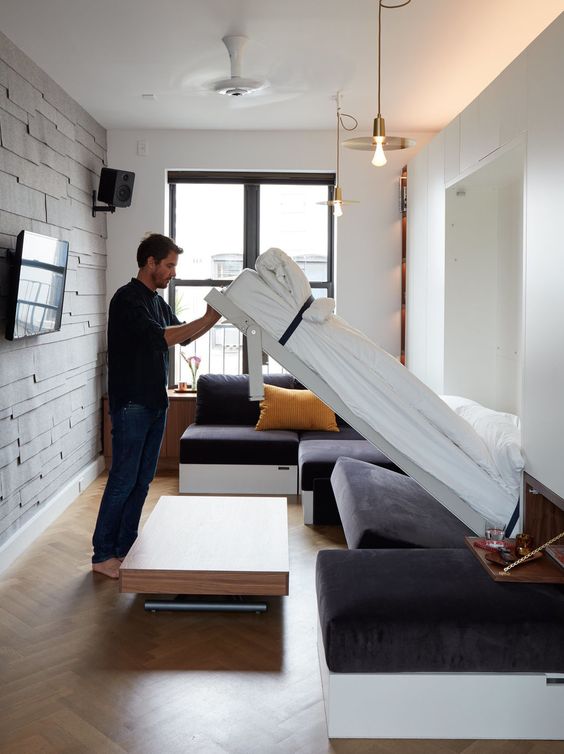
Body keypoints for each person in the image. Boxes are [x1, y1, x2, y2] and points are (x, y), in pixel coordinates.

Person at [92, 233, 221, 578]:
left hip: (155, 403)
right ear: (150, 263)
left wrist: (212, 318)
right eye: (169, 266)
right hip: (132, 404)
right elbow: (162, 338)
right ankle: (103, 554)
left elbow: (183, 334)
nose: (172, 273)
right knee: (123, 478)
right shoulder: (127, 299)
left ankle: (125, 547)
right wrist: (208, 319)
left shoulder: (155, 300)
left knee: (142, 480)